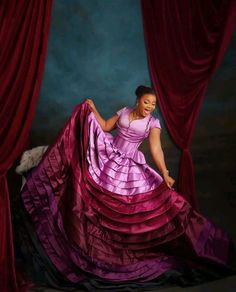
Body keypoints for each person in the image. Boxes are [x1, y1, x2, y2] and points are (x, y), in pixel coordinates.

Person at [16, 85, 235, 291]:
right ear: (138, 100)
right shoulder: (123, 111)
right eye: (147, 102)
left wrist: (165, 172)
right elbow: (104, 127)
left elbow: (156, 149)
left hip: (130, 165)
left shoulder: (153, 123)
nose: (150, 107)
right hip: (108, 156)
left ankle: (131, 251)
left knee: (136, 209)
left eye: (153, 104)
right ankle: (94, 250)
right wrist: (92, 110)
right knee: (88, 196)